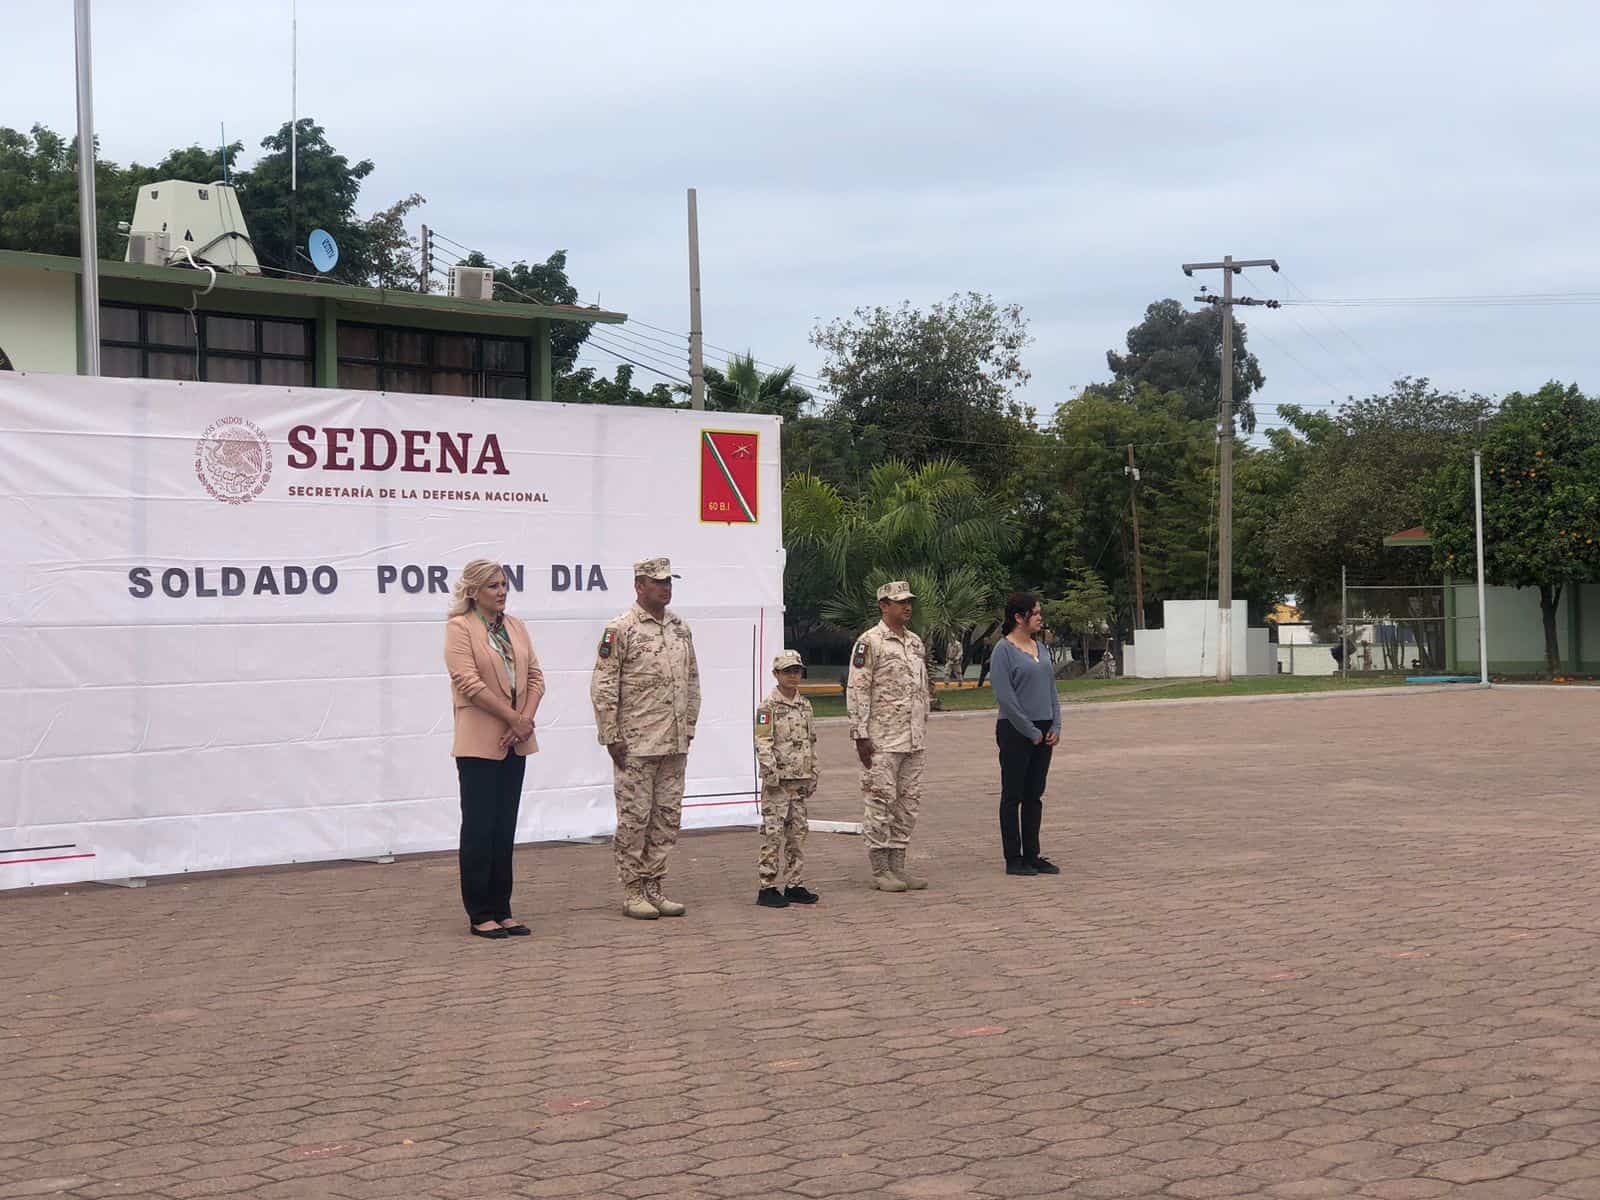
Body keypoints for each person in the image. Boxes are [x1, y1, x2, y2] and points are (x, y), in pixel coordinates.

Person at [590, 557, 701, 920]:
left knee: (666, 818)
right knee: (634, 820)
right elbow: (604, 684)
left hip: (673, 742)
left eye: (669, 581)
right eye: (658, 582)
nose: (666, 588)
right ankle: (632, 889)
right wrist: (611, 735)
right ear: (639, 585)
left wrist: (688, 727)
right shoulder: (621, 629)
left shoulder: (680, 628)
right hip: (636, 743)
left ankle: (655, 885)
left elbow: (692, 680)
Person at [444, 559, 546, 939]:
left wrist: (525, 719)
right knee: (479, 827)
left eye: (504, 584)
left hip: (515, 742)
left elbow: (535, 677)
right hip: (480, 742)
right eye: (492, 586)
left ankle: (503, 908)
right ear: (473, 591)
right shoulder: (459, 629)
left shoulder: (516, 627)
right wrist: (511, 718)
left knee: (505, 828)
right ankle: (480, 911)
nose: (501, 591)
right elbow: (468, 682)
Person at [847, 580, 930, 893]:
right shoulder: (870, 642)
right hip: (882, 739)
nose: (906, 606)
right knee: (881, 802)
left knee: (908, 804)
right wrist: (860, 734)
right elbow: (858, 689)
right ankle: (880, 869)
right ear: (883, 605)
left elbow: (921, 688)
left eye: (908, 601)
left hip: (913, 738)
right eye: (899, 602)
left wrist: (923, 723)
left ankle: (899, 866)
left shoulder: (915, 643)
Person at [990, 593, 1062, 877]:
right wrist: (1030, 731)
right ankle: (1014, 857)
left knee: (1035, 794)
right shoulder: (1003, 651)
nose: (1040, 617)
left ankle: (1033, 854)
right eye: (1035, 613)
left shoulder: (1041, 648)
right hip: (1015, 730)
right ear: (1018, 617)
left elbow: (1051, 690)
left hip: (1043, 729)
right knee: (1013, 794)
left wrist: (1056, 726)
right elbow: (1006, 698)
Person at [754, 650, 820, 908]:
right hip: (778, 782)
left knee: (797, 834)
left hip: (799, 780)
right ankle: (767, 886)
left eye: (797, 671)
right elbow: (763, 741)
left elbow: (811, 741)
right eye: (787, 671)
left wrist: (814, 770)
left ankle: (794, 883)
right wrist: (770, 773)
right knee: (772, 834)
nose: (793, 676)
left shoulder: (805, 705)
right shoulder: (768, 706)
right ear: (776, 674)